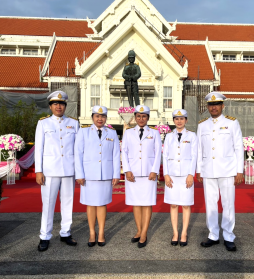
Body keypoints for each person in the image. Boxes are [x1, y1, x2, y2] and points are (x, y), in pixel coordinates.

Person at [196, 92, 244, 252]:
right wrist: (199, 170)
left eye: (216, 104)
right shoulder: (202, 125)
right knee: (210, 204)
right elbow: (199, 149)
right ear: (208, 107)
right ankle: (213, 235)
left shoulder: (232, 123)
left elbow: (238, 147)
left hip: (228, 170)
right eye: (210, 104)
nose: (213, 107)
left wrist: (239, 171)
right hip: (208, 170)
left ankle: (229, 236)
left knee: (228, 203)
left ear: (222, 106)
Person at [35, 91, 79, 252]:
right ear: (50, 106)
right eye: (55, 104)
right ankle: (45, 236)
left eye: (61, 104)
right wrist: (38, 171)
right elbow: (38, 148)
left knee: (67, 203)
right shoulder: (43, 124)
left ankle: (65, 232)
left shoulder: (74, 123)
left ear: (65, 106)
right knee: (48, 204)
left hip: (69, 169)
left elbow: (78, 148)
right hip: (50, 170)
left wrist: (78, 171)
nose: (58, 106)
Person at [74, 106, 120, 247]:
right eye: (97, 116)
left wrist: (116, 174)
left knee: (102, 203)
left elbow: (116, 155)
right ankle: (92, 233)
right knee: (90, 204)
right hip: (88, 175)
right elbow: (78, 154)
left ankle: (101, 233)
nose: (100, 119)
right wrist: (79, 174)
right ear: (92, 117)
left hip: (105, 174)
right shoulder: (83, 132)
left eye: (103, 116)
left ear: (106, 118)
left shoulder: (112, 133)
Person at [122, 105, 162, 248]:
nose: (141, 119)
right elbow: (124, 152)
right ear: (135, 117)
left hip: (148, 173)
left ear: (148, 118)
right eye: (138, 116)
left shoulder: (154, 133)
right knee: (136, 203)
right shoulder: (128, 133)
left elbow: (158, 153)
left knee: (147, 203)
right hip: (132, 173)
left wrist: (154, 170)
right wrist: (126, 170)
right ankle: (138, 230)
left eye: (144, 116)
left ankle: (144, 233)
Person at [163, 109, 198, 247]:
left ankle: (183, 232)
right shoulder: (168, 136)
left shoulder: (192, 136)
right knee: (173, 204)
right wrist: (166, 174)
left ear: (186, 120)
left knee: (185, 204)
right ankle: (175, 233)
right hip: (171, 175)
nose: (179, 121)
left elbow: (194, 155)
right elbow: (164, 156)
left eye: (182, 118)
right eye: (176, 119)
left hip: (185, 175)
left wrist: (191, 174)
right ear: (173, 121)